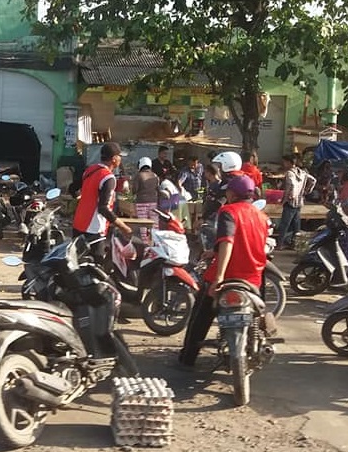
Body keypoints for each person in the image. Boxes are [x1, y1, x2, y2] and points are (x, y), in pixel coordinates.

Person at [179, 175, 268, 366]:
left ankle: (187, 358)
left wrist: (219, 278)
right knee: (260, 313)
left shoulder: (228, 211)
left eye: (228, 191)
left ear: (233, 193)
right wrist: (214, 251)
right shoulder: (261, 216)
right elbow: (248, 242)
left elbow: (228, 241)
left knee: (200, 316)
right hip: (253, 278)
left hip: (229, 276)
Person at [73, 141, 132, 267]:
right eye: (120, 156)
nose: (121, 159)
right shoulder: (108, 178)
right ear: (114, 159)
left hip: (78, 224)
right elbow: (103, 208)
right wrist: (123, 227)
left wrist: (83, 201)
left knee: (78, 265)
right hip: (93, 229)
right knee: (97, 268)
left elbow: (72, 188)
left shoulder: (90, 170)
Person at [275, 154, 317, 249]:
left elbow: (292, 184)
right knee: (296, 226)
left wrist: (290, 195)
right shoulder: (302, 172)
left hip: (290, 202)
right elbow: (313, 180)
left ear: (289, 163)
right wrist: (306, 191)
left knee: (284, 225)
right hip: (299, 202)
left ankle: (279, 244)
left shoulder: (290, 173)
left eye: (285, 162)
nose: (284, 164)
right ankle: (295, 245)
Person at [132, 156, 159, 241]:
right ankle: (155, 242)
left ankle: (145, 242)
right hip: (153, 202)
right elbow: (157, 188)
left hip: (141, 202)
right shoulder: (155, 175)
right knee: (154, 223)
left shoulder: (139, 176)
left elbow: (134, 190)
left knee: (143, 223)